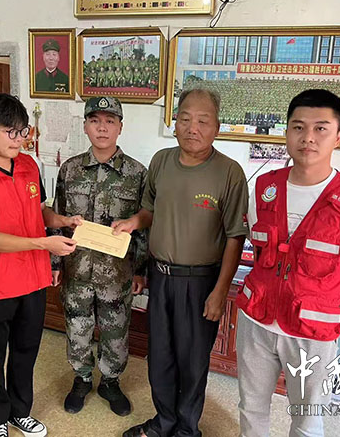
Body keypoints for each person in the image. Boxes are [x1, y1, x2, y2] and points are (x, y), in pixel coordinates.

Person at [236, 89, 340, 437]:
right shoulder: (264, 187)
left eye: (321, 129)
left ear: (339, 136)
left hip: (312, 333)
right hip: (256, 322)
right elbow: (262, 252)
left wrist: (325, 303)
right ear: (287, 131)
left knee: (307, 419)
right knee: (251, 407)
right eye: (299, 127)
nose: (308, 138)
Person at [113, 88, 249, 437]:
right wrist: (132, 223)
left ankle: (187, 430)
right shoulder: (161, 161)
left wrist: (220, 292)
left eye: (203, 121)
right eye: (185, 119)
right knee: (160, 356)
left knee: (192, 361)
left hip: (201, 282)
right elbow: (150, 211)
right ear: (175, 123)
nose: (193, 127)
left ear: (217, 127)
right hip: (160, 277)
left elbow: (235, 236)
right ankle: (164, 422)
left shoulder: (229, 172)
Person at [0, 93, 81, 437]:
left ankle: (20, 411)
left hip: (33, 279)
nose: (19, 139)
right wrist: (43, 243)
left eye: (23, 131)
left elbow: (37, 211)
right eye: (10, 132)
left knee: (26, 351)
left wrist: (62, 220)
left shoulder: (28, 166)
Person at [51, 96, 148, 417]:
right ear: (85, 126)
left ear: (120, 127)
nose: (102, 128)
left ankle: (110, 381)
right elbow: (57, 216)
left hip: (117, 274)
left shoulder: (137, 173)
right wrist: (55, 263)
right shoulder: (70, 169)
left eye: (109, 121)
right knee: (77, 328)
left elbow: (144, 226)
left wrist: (141, 270)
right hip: (76, 269)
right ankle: (81, 378)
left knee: (116, 332)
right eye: (95, 121)